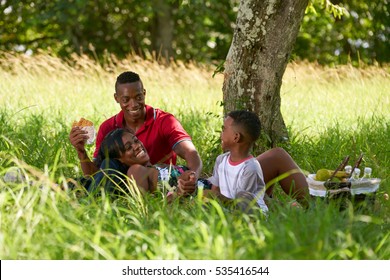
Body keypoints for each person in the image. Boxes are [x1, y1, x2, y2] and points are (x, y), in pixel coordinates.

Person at [69, 71, 201, 195]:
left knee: (81, 184)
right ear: (116, 98)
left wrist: (191, 178)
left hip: (155, 184)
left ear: (144, 93)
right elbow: (97, 174)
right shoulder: (108, 127)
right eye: (126, 100)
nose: (133, 104)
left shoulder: (164, 121)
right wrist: (81, 151)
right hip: (120, 187)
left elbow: (190, 153)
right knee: (108, 165)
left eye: (138, 97)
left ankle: (78, 191)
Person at [204, 110, 268, 213]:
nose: (221, 134)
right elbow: (215, 189)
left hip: (253, 215)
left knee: (241, 196)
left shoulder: (250, 168)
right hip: (229, 208)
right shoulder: (221, 160)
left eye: (224, 129)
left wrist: (217, 197)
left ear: (236, 137)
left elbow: (243, 205)